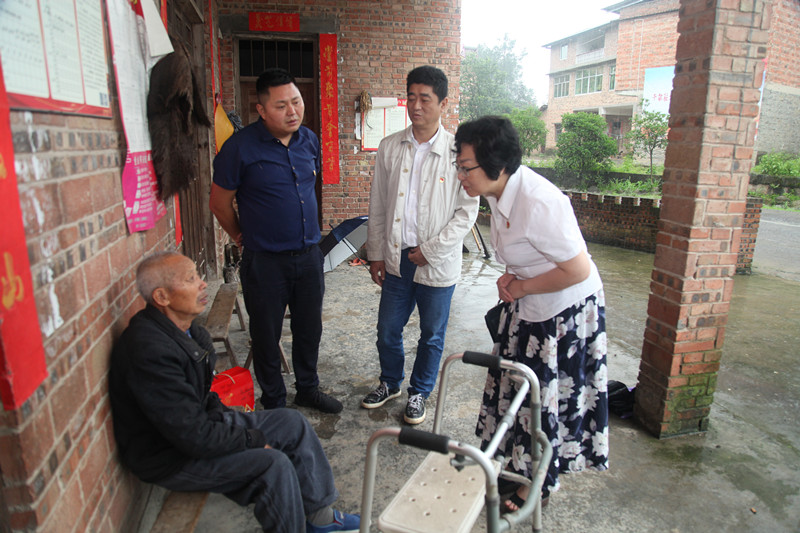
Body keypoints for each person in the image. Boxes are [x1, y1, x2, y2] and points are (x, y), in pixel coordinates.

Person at [108, 252, 359, 533]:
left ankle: (320, 519)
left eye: (198, 275)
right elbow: (190, 435)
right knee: (272, 466)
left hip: (200, 428)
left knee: (292, 423)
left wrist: (233, 426)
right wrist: (249, 439)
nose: (203, 284)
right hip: (170, 457)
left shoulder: (190, 333)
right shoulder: (150, 351)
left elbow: (203, 400)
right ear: (162, 297)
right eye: (191, 279)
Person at [453, 116, 609, 510]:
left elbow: (577, 270)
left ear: (497, 164)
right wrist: (513, 276)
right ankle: (520, 463)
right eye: (459, 165)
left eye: (466, 166)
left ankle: (540, 481)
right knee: (518, 390)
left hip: (563, 313)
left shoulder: (540, 201)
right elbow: (526, 249)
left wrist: (522, 286)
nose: (460, 175)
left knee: (543, 398)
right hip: (529, 303)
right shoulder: (496, 192)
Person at [210, 68, 341, 413]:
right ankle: (275, 401)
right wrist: (239, 234)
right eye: (281, 106)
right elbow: (219, 203)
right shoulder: (239, 148)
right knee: (266, 335)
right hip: (265, 261)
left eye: (296, 102)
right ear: (262, 110)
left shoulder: (309, 140)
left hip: (309, 256)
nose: (292, 111)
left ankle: (308, 389)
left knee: (309, 329)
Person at [362, 66, 479, 424]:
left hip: (436, 261)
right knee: (387, 329)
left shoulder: (458, 152)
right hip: (397, 256)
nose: (416, 106)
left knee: (431, 335)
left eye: (425, 99)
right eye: (411, 97)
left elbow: (467, 211)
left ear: (443, 103)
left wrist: (432, 249)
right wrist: (375, 254)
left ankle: (420, 392)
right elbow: (378, 205)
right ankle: (390, 382)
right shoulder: (390, 147)